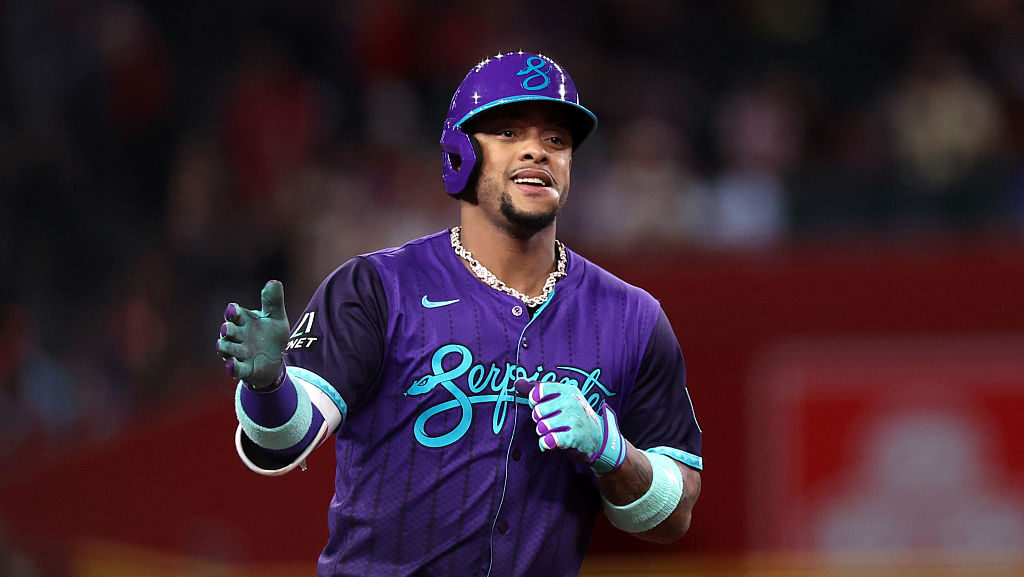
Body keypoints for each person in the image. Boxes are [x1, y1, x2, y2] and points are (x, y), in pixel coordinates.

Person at [216, 51, 703, 577]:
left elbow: (673, 516)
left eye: (557, 139)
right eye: (509, 133)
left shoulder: (633, 318)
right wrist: (268, 387)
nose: (537, 150)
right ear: (460, 154)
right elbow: (289, 438)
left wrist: (614, 453)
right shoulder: (377, 287)